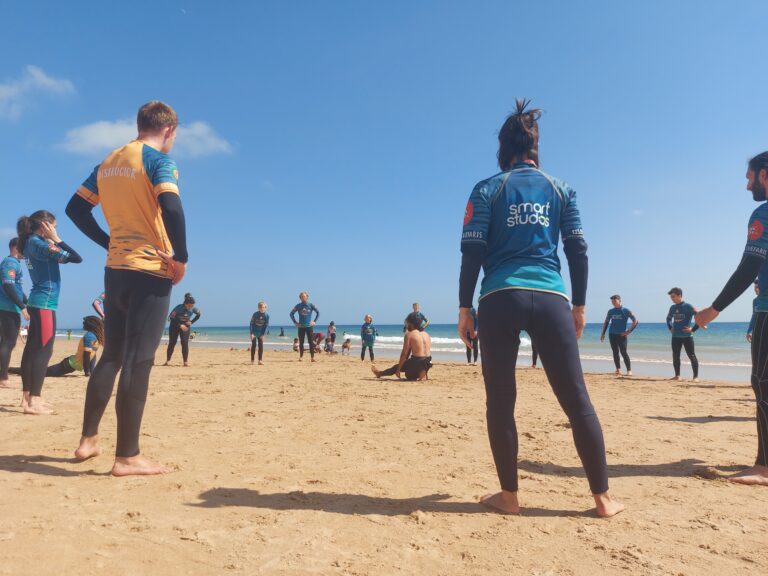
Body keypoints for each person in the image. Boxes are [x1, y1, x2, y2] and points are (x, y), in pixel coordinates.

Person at [456, 99, 623, 517]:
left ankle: (509, 497)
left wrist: (463, 307)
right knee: (576, 397)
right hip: (552, 297)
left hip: (499, 296)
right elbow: (578, 249)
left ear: (503, 148)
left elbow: (471, 253)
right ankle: (603, 499)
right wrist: (580, 305)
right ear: (535, 147)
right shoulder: (561, 188)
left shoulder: (486, 188)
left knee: (500, 399)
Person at [66, 100, 188, 476]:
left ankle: (88, 441)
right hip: (150, 270)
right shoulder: (156, 160)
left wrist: (109, 242)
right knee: (139, 359)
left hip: (115, 271)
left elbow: (75, 209)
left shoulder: (109, 162)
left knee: (113, 355)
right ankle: (128, 456)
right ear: (168, 130)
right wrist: (180, 257)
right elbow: (172, 207)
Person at [695, 151, 768, 486]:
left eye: (749, 177)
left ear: (764, 175)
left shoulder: (763, 213)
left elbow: (748, 267)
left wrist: (714, 309)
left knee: (763, 384)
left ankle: (764, 468)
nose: (746, 185)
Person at [17, 211, 82, 414]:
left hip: (37, 300)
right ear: (46, 225)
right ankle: (33, 401)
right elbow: (77, 258)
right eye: (54, 226)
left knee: (31, 351)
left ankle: (27, 398)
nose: (55, 229)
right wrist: (57, 238)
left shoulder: (28, 242)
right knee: (43, 351)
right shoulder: (42, 245)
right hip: (45, 302)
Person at [10, 316, 103, 377]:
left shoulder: (91, 336)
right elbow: (87, 356)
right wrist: (88, 372)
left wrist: (90, 371)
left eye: (84, 323)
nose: (83, 325)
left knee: (38, 372)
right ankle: (9, 369)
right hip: (68, 365)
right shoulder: (92, 336)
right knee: (37, 373)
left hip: (71, 365)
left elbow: (90, 355)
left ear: (90, 325)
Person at [0, 238, 29, 389]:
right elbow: (8, 286)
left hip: (9, 306)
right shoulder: (10, 263)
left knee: (5, 342)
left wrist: (27, 303)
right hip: (7, 307)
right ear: (16, 247)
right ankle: (3, 378)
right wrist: (22, 307)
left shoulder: (14, 263)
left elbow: (17, 289)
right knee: (8, 342)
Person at [372, 312, 432, 380]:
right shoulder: (426, 334)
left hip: (417, 362)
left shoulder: (409, 334)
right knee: (416, 363)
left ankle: (379, 373)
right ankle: (423, 372)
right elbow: (425, 352)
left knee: (405, 373)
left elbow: (404, 354)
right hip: (428, 362)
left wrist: (398, 369)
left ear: (411, 324)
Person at [666, 287, 700, 382]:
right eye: (671, 297)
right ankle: (677, 376)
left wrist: (693, 329)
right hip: (675, 336)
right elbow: (668, 319)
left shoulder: (688, 306)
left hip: (687, 337)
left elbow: (699, 316)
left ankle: (695, 377)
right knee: (675, 356)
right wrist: (670, 327)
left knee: (691, 355)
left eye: (673, 296)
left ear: (679, 295)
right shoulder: (672, 308)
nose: (672, 298)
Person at [599, 294, 638, 376]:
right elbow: (606, 322)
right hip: (612, 334)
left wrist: (628, 331)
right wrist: (603, 333)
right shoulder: (610, 311)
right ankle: (618, 369)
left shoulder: (626, 310)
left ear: (619, 301)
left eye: (614, 300)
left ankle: (629, 370)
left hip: (621, 335)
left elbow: (635, 321)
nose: (613, 302)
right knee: (615, 352)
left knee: (623, 352)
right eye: (612, 301)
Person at [165, 293, 201, 366]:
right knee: (172, 343)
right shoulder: (179, 307)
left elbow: (199, 314)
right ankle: (168, 361)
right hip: (174, 326)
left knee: (184, 343)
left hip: (185, 326)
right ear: (185, 304)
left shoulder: (193, 309)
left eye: (192, 305)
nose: (191, 307)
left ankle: (185, 362)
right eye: (189, 305)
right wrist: (180, 325)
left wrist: (191, 322)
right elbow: (171, 317)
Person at [290, 291, 319, 362]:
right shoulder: (298, 306)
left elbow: (318, 313)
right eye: (302, 297)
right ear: (300, 298)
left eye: (305, 296)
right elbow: (291, 314)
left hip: (309, 326)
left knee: (311, 342)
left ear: (307, 297)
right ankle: (301, 357)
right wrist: (295, 322)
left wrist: (314, 321)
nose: (303, 298)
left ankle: (312, 357)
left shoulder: (311, 305)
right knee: (301, 342)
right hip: (301, 327)